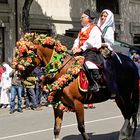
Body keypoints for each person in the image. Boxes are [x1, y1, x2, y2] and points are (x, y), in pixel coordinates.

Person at [72, 9, 103, 93]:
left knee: (88, 63)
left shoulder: (95, 28)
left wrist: (81, 48)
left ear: (88, 18)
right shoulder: (82, 29)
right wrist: (75, 47)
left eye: (82, 17)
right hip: (82, 51)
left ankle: (95, 83)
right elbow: (77, 40)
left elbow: (91, 41)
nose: (80, 19)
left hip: (92, 52)